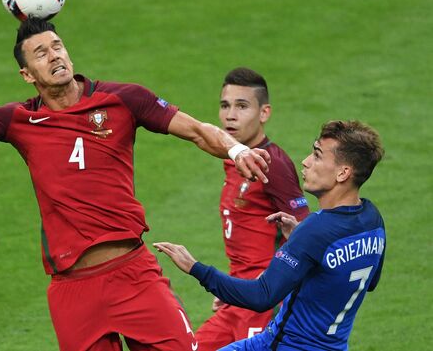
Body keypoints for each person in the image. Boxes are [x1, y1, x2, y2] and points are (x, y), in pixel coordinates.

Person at [0, 17, 271, 351]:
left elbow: (197, 131)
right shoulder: (18, 119)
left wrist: (236, 150)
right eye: (40, 53)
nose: (54, 56)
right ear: (27, 74)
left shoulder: (123, 99)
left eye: (57, 46)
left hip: (133, 275)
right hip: (72, 291)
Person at [155, 120, 386, 351]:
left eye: (317, 155)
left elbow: (262, 296)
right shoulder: (372, 219)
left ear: (343, 173)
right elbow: (368, 281)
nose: (305, 162)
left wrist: (195, 268)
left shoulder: (316, 230)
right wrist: (307, 248)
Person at [195, 68, 309, 350]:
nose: (230, 115)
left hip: (264, 298)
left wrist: (273, 283)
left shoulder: (273, 164)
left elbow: (305, 236)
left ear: (264, 112)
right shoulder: (235, 158)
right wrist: (229, 286)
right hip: (237, 296)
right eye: (225, 105)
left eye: (242, 106)